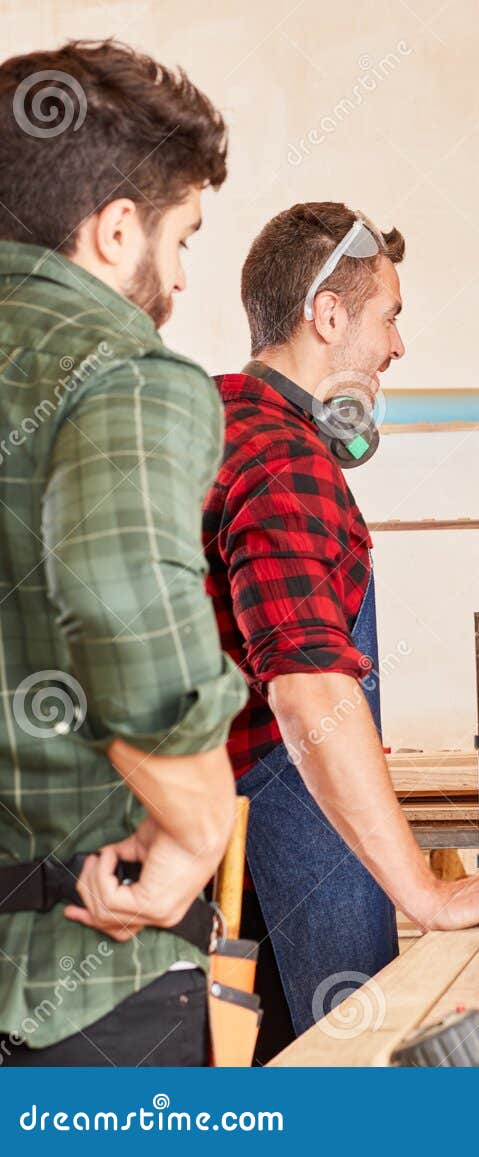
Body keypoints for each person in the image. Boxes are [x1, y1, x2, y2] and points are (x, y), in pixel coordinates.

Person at [203, 202, 479, 1060]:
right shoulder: (285, 458)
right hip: (287, 822)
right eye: (389, 317)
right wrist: (426, 894)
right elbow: (307, 685)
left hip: (210, 840)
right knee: (348, 1066)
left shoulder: (209, 424)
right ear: (327, 315)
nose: (399, 346)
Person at [0, 40, 247, 1066]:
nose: (181, 279)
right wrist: (195, 822)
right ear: (114, 230)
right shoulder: (124, 372)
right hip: (85, 977)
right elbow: (115, 579)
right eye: (181, 238)